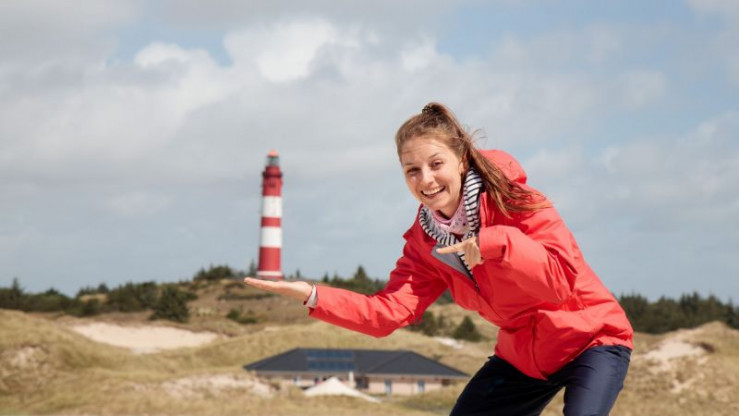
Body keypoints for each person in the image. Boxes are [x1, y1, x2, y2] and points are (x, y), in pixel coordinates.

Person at [244, 102, 633, 416]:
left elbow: (560, 282)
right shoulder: (424, 243)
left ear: (461, 160)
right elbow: (388, 313)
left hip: (591, 339)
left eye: (436, 164)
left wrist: (496, 242)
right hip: (523, 357)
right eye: (412, 170)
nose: (426, 180)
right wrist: (314, 296)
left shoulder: (515, 200)